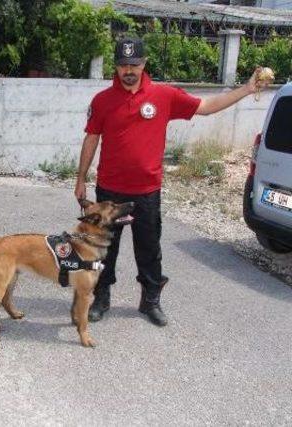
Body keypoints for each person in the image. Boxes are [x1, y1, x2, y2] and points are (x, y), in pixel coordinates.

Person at [74, 37, 269, 327]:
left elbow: (206, 106)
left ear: (144, 64)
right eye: (123, 65)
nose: (129, 70)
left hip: (146, 192)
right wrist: (80, 179)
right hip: (109, 192)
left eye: (135, 64)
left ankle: (150, 301)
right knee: (105, 248)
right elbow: (91, 138)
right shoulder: (102, 101)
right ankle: (101, 299)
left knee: (149, 249)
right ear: (115, 67)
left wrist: (246, 89)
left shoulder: (164, 95)